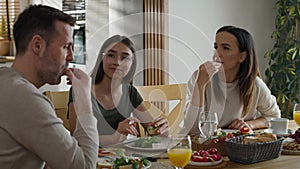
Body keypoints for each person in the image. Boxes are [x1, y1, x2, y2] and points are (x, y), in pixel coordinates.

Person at [0, 5, 98, 169]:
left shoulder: (7, 82)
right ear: (37, 45)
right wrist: (84, 101)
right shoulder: (25, 99)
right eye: (66, 46)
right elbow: (85, 166)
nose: (72, 56)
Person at [68, 35, 169, 146]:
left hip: (123, 159)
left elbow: (152, 130)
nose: (117, 62)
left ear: (132, 64)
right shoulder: (80, 90)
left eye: (125, 58)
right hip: (90, 159)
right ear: (102, 59)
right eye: (111, 55)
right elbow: (77, 138)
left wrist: (161, 130)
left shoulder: (130, 92)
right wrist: (114, 137)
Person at [182, 25, 281, 134]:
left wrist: (249, 124)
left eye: (225, 48)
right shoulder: (200, 77)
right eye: (216, 47)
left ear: (242, 57)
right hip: (204, 146)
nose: (217, 54)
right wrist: (199, 86)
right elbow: (191, 129)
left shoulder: (255, 85)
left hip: (237, 146)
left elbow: (274, 117)